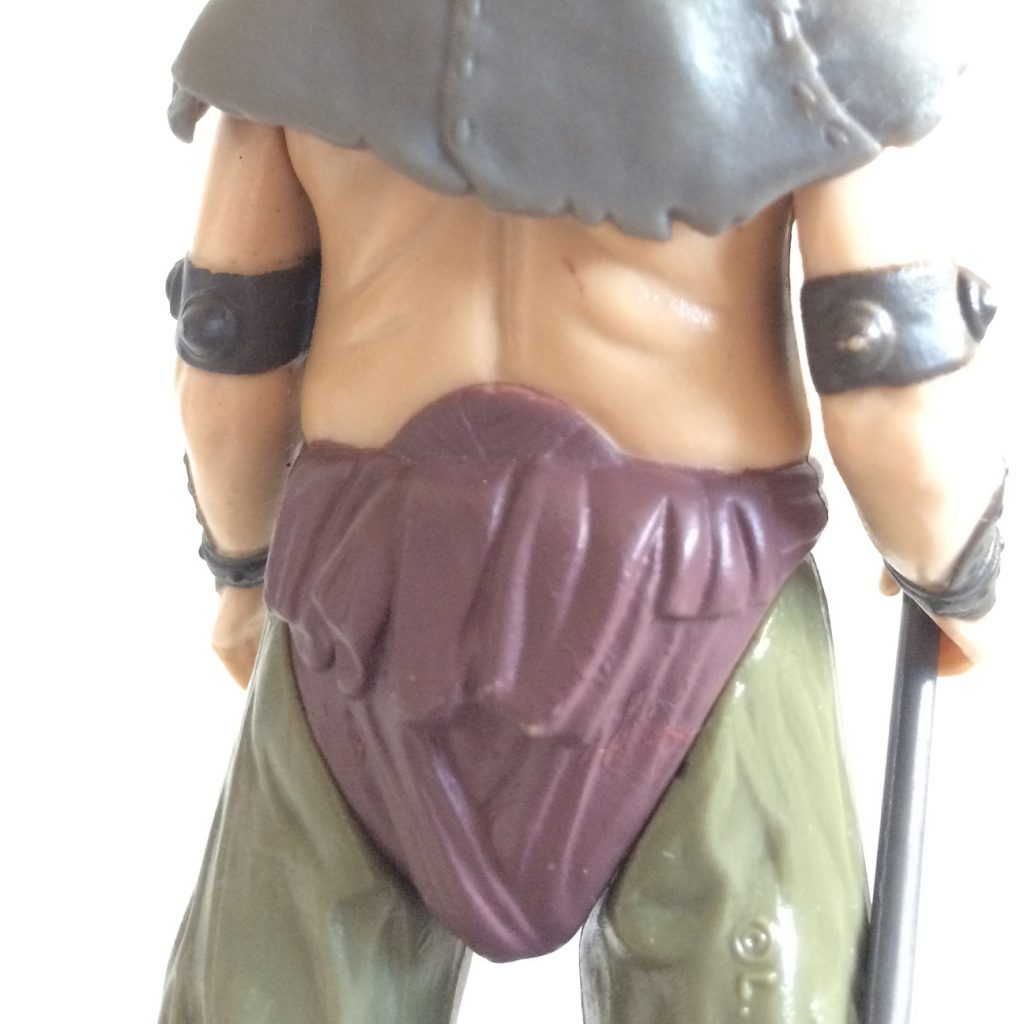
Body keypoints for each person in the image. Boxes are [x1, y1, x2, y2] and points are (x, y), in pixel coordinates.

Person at [159, 2, 1005, 1021]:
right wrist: (958, 568)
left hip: (362, 599)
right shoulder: (800, 24)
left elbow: (228, 360)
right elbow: (890, 382)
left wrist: (244, 572)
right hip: (695, 606)